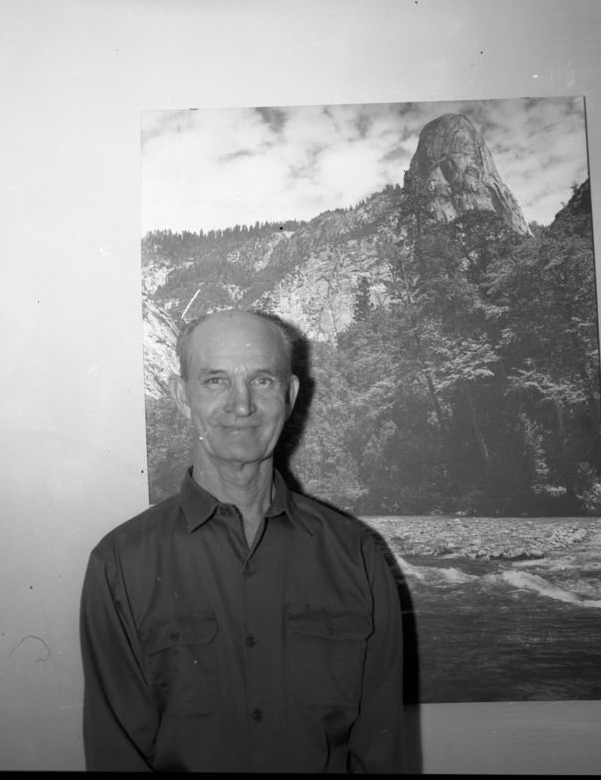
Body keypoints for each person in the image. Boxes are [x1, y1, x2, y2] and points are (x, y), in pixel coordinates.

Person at [79, 309, 405, 772]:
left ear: (290, 396)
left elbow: (380, 753)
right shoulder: (120, 564)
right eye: (216, 381)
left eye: (262, 381)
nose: (242, 405)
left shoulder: (358, 555)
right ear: (182, 397)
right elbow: (115, 756)